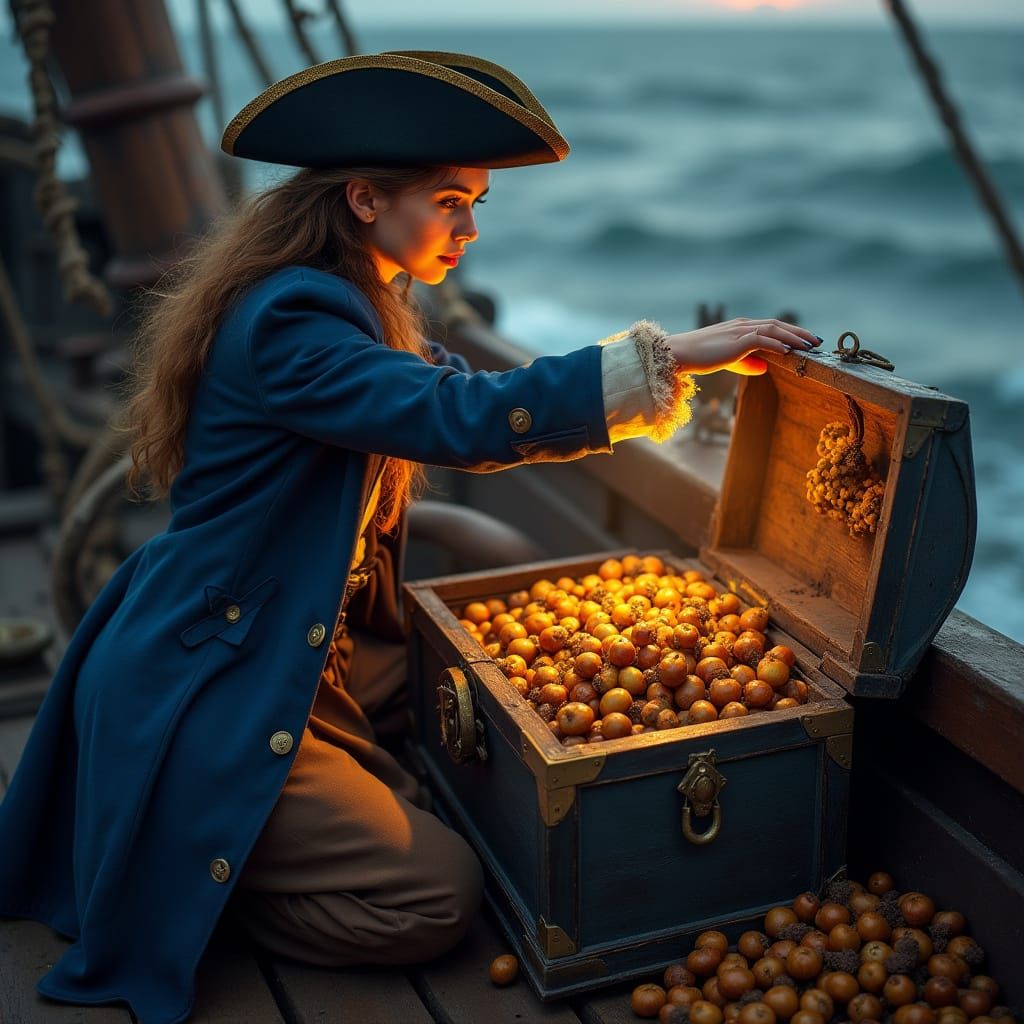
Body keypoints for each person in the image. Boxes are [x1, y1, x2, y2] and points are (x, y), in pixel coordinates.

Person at [0, 51, 821, 1024]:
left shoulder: (353, 299)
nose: (469, 228)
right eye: (450, 202)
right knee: (436, 896)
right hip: (213, 670)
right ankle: (198, 884)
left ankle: (291, 814)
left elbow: (461, 392)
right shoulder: (295, 321)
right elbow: (462, 416)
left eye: (473, 203)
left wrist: (634, 375)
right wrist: (672, 355)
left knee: (477, 693)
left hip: (282, 631)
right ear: (361, 199)